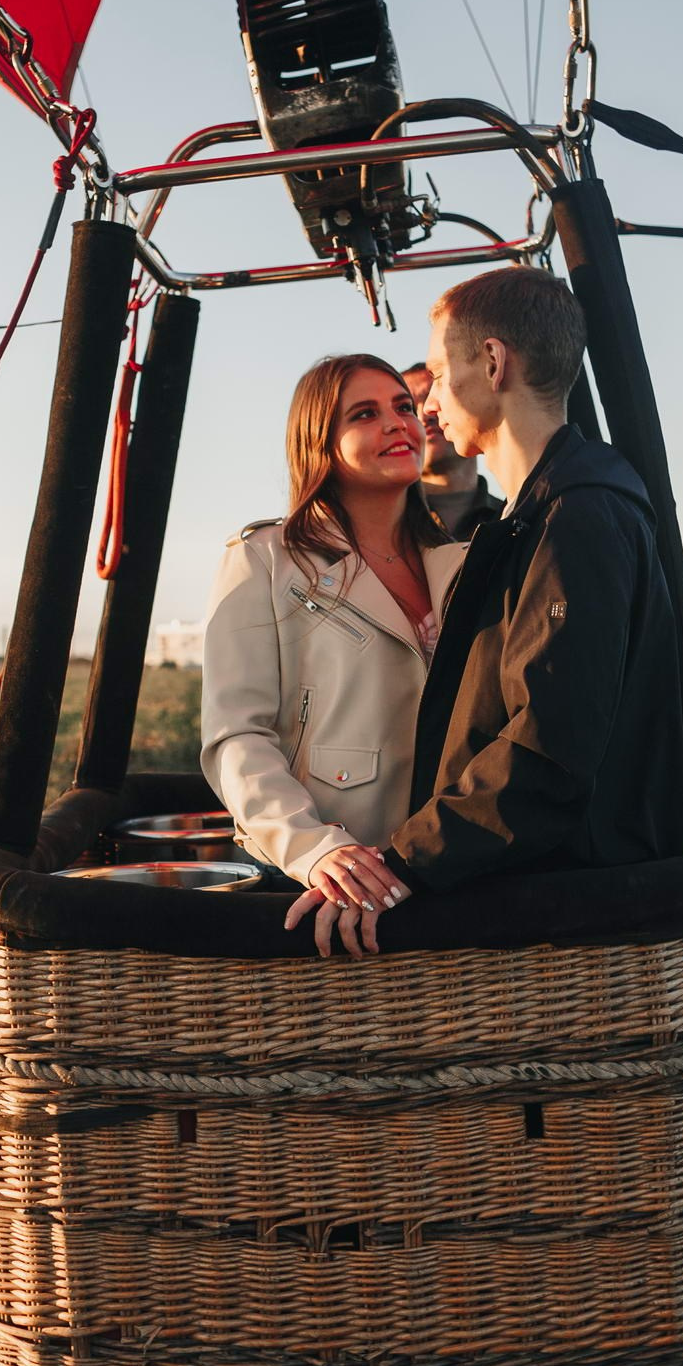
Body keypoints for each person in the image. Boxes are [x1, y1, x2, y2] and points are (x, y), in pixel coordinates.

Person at [288, 267, 683, 954]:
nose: (430, 404)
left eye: (438, 370)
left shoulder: (577, 517)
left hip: (568, 921)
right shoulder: (544, 511)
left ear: (491, 362)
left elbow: (549, 747)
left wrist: (404, 866)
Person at [201, 353, 466, 953]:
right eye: (366, 414)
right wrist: (318, 849)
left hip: (437, 869)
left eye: (404, 406)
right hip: (315, 876)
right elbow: (235, 737)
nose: (399, 424)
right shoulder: (263, 560)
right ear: (320, 439)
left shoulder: (461, 563)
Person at [403, 360, 503, 541]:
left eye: (433, 398)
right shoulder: (382, 526)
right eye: (406, 408)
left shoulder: (512, 519)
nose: (423, 415)